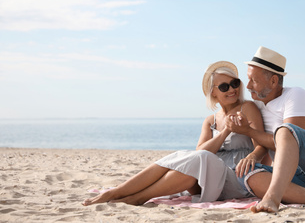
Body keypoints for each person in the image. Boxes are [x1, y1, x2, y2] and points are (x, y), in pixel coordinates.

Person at [82, 61, 268, 206]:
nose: (232, 89)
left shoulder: (247, 108)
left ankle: (134, 197)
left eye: (235, 83)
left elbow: (261, 145)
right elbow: (201, 153)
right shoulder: (210, 120)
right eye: (224, 87)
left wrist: (251, 155)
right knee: (191, 162)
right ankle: (118, 192)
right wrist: (226, 130)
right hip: (209, 177)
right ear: (213, 93)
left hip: (237, 177)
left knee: (195, 158)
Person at [226, 46, 305, 213]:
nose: (248, 85)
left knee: (285, 130)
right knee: (246, 174)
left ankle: (272, 198)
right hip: (299, 177)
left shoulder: (295, 94)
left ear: (273, 81)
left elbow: (290, 140)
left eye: (254, 80)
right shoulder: (256, 106)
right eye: (248, 79)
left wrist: (248, 131)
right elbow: (264, 145)